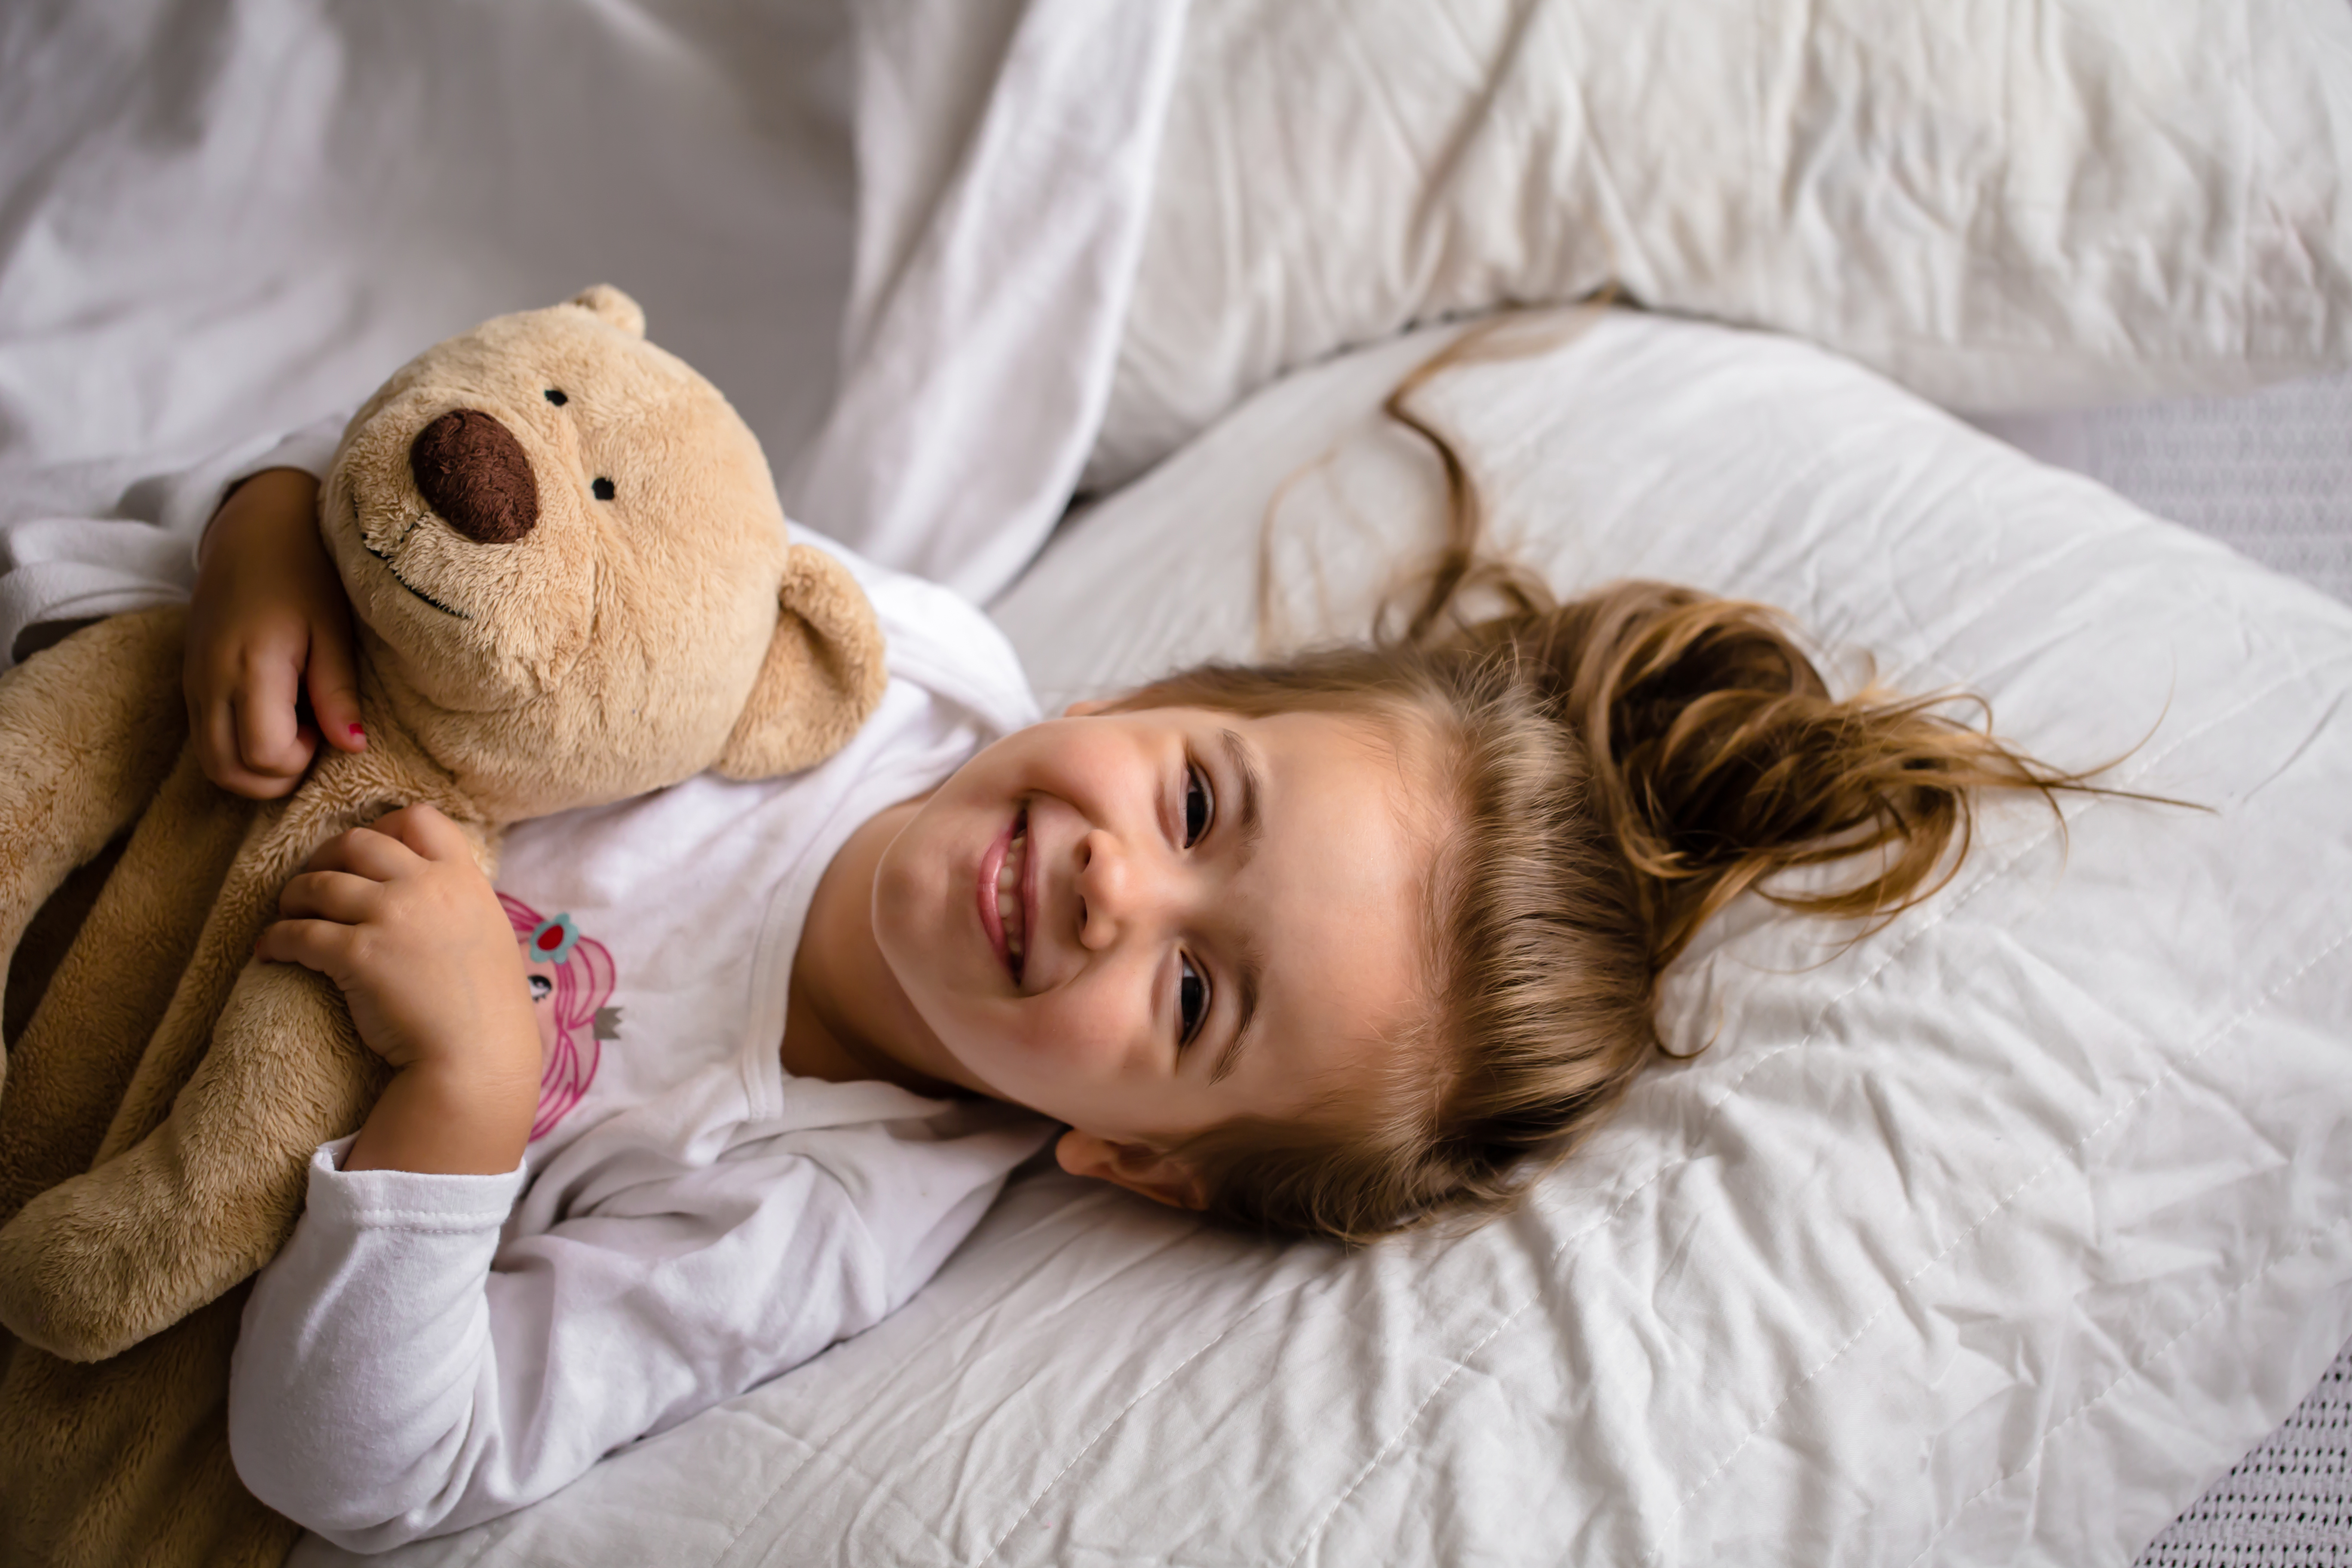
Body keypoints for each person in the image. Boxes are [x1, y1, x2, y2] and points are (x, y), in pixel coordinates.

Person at [189, 404, 2083, 1548]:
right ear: (1138, 702)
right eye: (1193, 799)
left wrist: (462, 1096)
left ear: (1142, 1163)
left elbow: (367, 1469)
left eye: (1196, 1003)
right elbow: (474, 482)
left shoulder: (812, 1212)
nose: (1118, 892)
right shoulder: (875, 664)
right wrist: (274, 521)